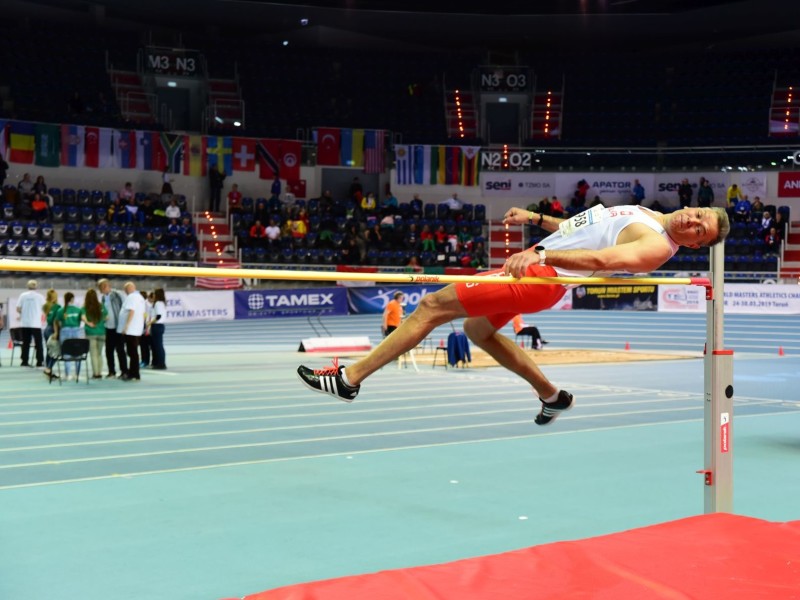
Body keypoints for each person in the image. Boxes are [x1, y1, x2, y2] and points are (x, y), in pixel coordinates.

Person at [298, 204, 730, 425]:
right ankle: (550, 395)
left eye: (700, 231)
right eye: (699, 215)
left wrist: (541, 252)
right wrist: (538, 219)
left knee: (430, 306)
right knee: (476, 329)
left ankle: (349, 380)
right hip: (539, 276)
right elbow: (586, 228)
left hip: (537, 278)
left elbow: (600, 259)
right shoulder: (651, 215)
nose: (693, 221)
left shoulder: (656, 245)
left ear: (694, 245)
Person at [97, 278, 127, 378]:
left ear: (106, 286)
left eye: (101, 288)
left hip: (118, 327)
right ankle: (111, 371)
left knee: (120, 350)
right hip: (108, 327)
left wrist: (124, 325)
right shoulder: (102, 298)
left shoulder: (118, 295)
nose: (100, 290)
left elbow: (125, 308)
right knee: (108, 351)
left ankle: (124, 371)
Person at [118, 281, 146, 381]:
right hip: (135, 329)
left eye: (126, 290)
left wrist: (126, 326)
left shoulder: (132, 297)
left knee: (132, 352)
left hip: (131, 330)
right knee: (132, 352)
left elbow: (132, 311)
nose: (125, 292)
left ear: (129, 288)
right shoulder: (140, 297)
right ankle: (133, 372)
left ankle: (134, 374)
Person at [55, 292, 84, 381]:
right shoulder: (78, 310)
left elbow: (58, 322)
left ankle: (68, 375)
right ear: (72, 299)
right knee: (77, 352)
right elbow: (81, 320)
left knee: (66, 352)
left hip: (65, 330)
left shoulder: (61, 310)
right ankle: (77, 374)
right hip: (76, 330)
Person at [16, 280, 45, 368]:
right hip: (36, 323)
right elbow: (44, 308)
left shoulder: (23, 295)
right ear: (36, 286)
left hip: (25, 323)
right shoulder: (40, 296)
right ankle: (39, 361)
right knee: (38, 343)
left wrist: (24, 313)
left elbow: (18, 308)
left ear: (27, 286)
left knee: (26, 343)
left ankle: (24, 361)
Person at [80, 288, 107, 379]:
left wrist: (89, 323)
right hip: (102, 332)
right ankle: (99, 372)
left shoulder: (85, 307)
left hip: (90, 332)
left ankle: (95, 373)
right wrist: (100, 321)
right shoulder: (101, 306)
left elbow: (83, 317)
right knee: (99, 354)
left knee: (93, 354)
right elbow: (107, 317)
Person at [150, 288, 167, 369]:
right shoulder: (162, 303)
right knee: (157, 345)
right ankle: (158, 362)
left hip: (157, 326)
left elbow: (158, 316)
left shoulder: (158, 303)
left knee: (158, 346)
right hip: (159, 326)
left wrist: (150, 323)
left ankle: (161, 363)